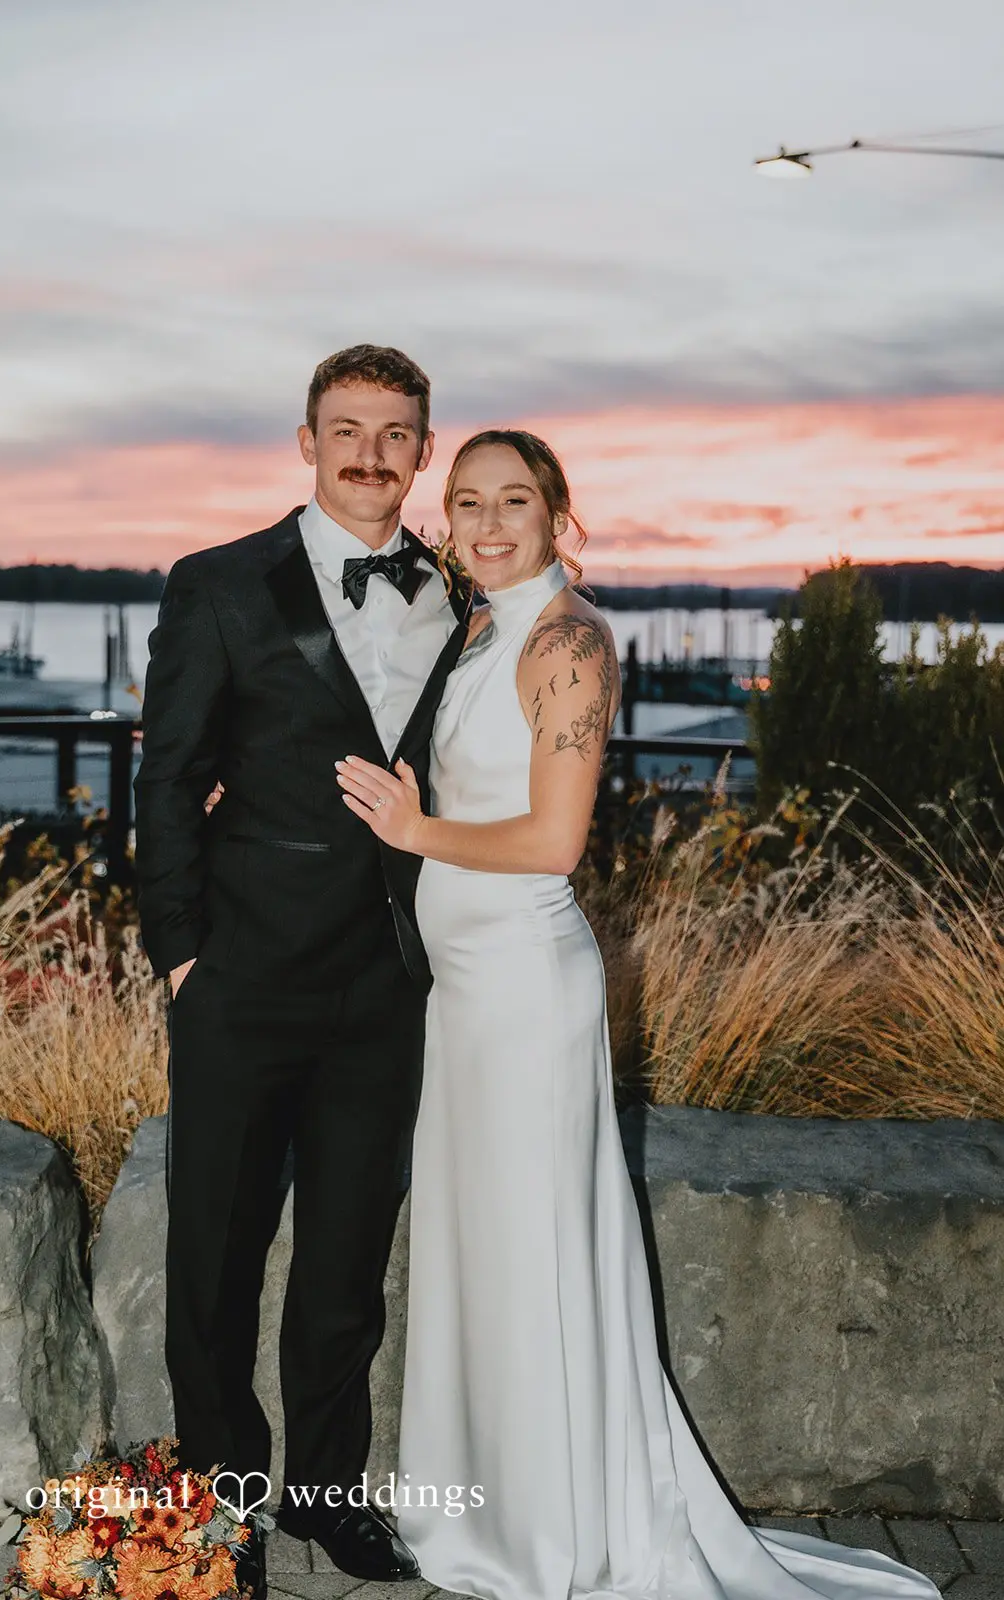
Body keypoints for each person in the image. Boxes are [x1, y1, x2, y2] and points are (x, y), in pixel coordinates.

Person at [332, 429, 945, 1600]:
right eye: (467, 502)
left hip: (520, 987)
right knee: (485, 1251)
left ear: (561, 511)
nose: (491, 521)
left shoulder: (566, 639)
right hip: (463, 992)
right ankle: (489, 1513)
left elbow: (553, 842)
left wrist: (416, 836)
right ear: (447, 519)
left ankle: (554, 1534)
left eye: (516, 499)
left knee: (534, 1252)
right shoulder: (479, 625)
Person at [133, 344, 475, 1598]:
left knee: (343, 1266)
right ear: (307, 440)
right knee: (214, 1262)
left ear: (424, 449)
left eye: (396, 432)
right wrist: (179, 955)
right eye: (348, 429)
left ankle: (332, 1500)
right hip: (238, 976)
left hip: (388, 984)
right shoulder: (220, 584)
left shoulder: (457, 595)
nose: (371, 453)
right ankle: (224, 1509)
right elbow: (165, 777)